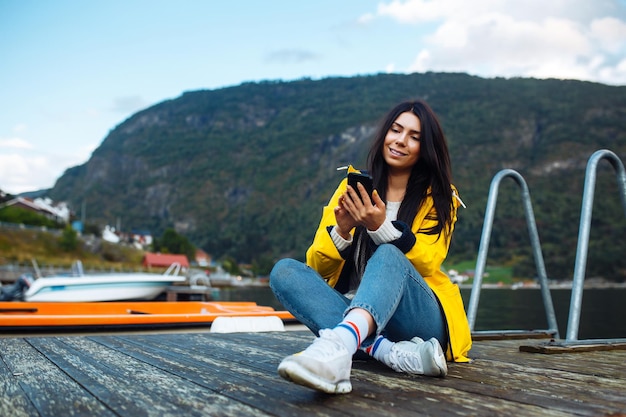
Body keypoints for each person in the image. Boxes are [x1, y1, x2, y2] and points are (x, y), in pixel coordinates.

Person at [269, 100, 472, 394]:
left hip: (420, 322)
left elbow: (429, 260)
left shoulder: (440, 197)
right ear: (384, 134)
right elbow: (317, 267)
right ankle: (386, 351)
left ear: (426, 147)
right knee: (285, 271)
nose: (401, 141)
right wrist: (342, 229)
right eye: (396, 130)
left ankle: (341, 344)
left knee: (389, 253)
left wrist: (381, 228)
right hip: (363, 318)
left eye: (414, 136)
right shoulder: (351, 188)